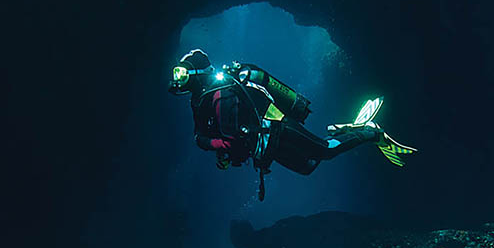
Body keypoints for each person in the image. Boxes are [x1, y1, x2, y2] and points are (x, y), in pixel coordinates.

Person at [168, 49, 416, 200]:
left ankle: (371, 132)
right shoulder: (201, 100)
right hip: (266, 145)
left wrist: (209, 145)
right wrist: (216, 148)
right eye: (176, 74)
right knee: (308, 166)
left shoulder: (221, 95)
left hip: (278, 127)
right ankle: (349, 131)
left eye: (180, 73)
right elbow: (216, 135)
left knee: (325, 151)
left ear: (196, 73)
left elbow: (230, 140)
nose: (177, 80)